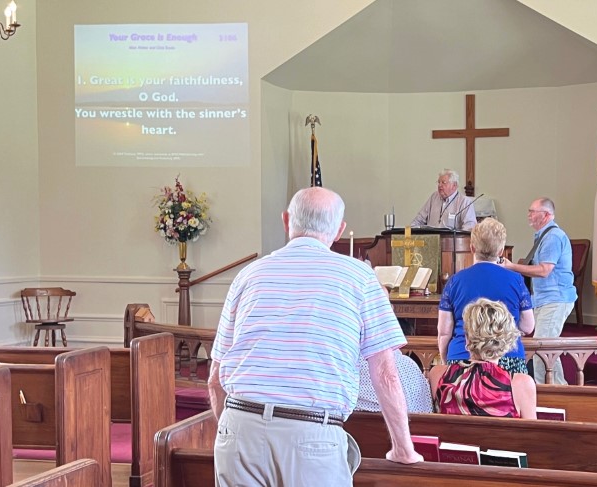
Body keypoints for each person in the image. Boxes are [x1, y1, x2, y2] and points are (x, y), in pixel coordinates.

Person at [208, 187, 422, 487]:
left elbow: (215, 378)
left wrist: (233, 433)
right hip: (311, 435)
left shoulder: (247, 276)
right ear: (339, 230)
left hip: (239, 427)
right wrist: (403, 448)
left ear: (286, 221)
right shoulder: (360, 277)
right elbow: (386, 373)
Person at [438, 218, 534, 375]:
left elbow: (444, 332)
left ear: (472, 248)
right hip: (508, 357)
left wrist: (445, 361)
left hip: (462, 357)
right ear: (501, 251)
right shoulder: (516, 280)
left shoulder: (455, 281)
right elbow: (528, 326)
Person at [500, 197, 576, 384]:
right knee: (545, 347)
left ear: (547, 215)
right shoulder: (544, 235)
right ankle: (556, 388)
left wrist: (512, 267)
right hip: (545, 298)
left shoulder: (552, 237)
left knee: (543, 348)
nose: (529, 215)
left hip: (555, 298)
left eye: (533, 211)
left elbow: (544, 270)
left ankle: (548, 390)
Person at [428, 298, 537, 419]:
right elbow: (531, 431)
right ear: (507, 342)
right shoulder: (522, 384)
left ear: (467, 338)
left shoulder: (437, 374)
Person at [355, 321, 433, 413]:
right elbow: (425, 407)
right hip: (414, 420)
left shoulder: (355, 363)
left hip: (363, 420)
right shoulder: (409, 364)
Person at [410, 168, 477, 231]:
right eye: (439, 182)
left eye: (443, 182)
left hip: (452, 239)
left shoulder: (465, 202)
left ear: (454, 185)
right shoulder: (434, 197)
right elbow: (419, 220)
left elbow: (469, 227)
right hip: (432, 238)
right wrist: (409, 233)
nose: (440, 185)